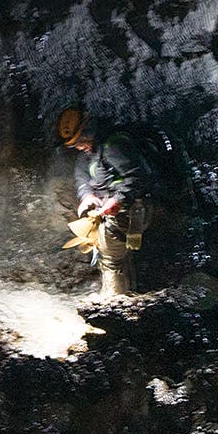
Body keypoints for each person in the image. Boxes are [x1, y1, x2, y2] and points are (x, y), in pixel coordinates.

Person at [55, 107, 159, 297]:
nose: (78, 147)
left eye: (79, 142)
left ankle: (113, 302)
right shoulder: (90, 152)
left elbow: (138, 176)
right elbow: (81, 175)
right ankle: (127, 295)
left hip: (130, 210)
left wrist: (117, 199)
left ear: (87, 132)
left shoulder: (114, 146)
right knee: (121, 258)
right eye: (74, 145)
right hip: (110, 211)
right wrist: (86, 195)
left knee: (110, 259)